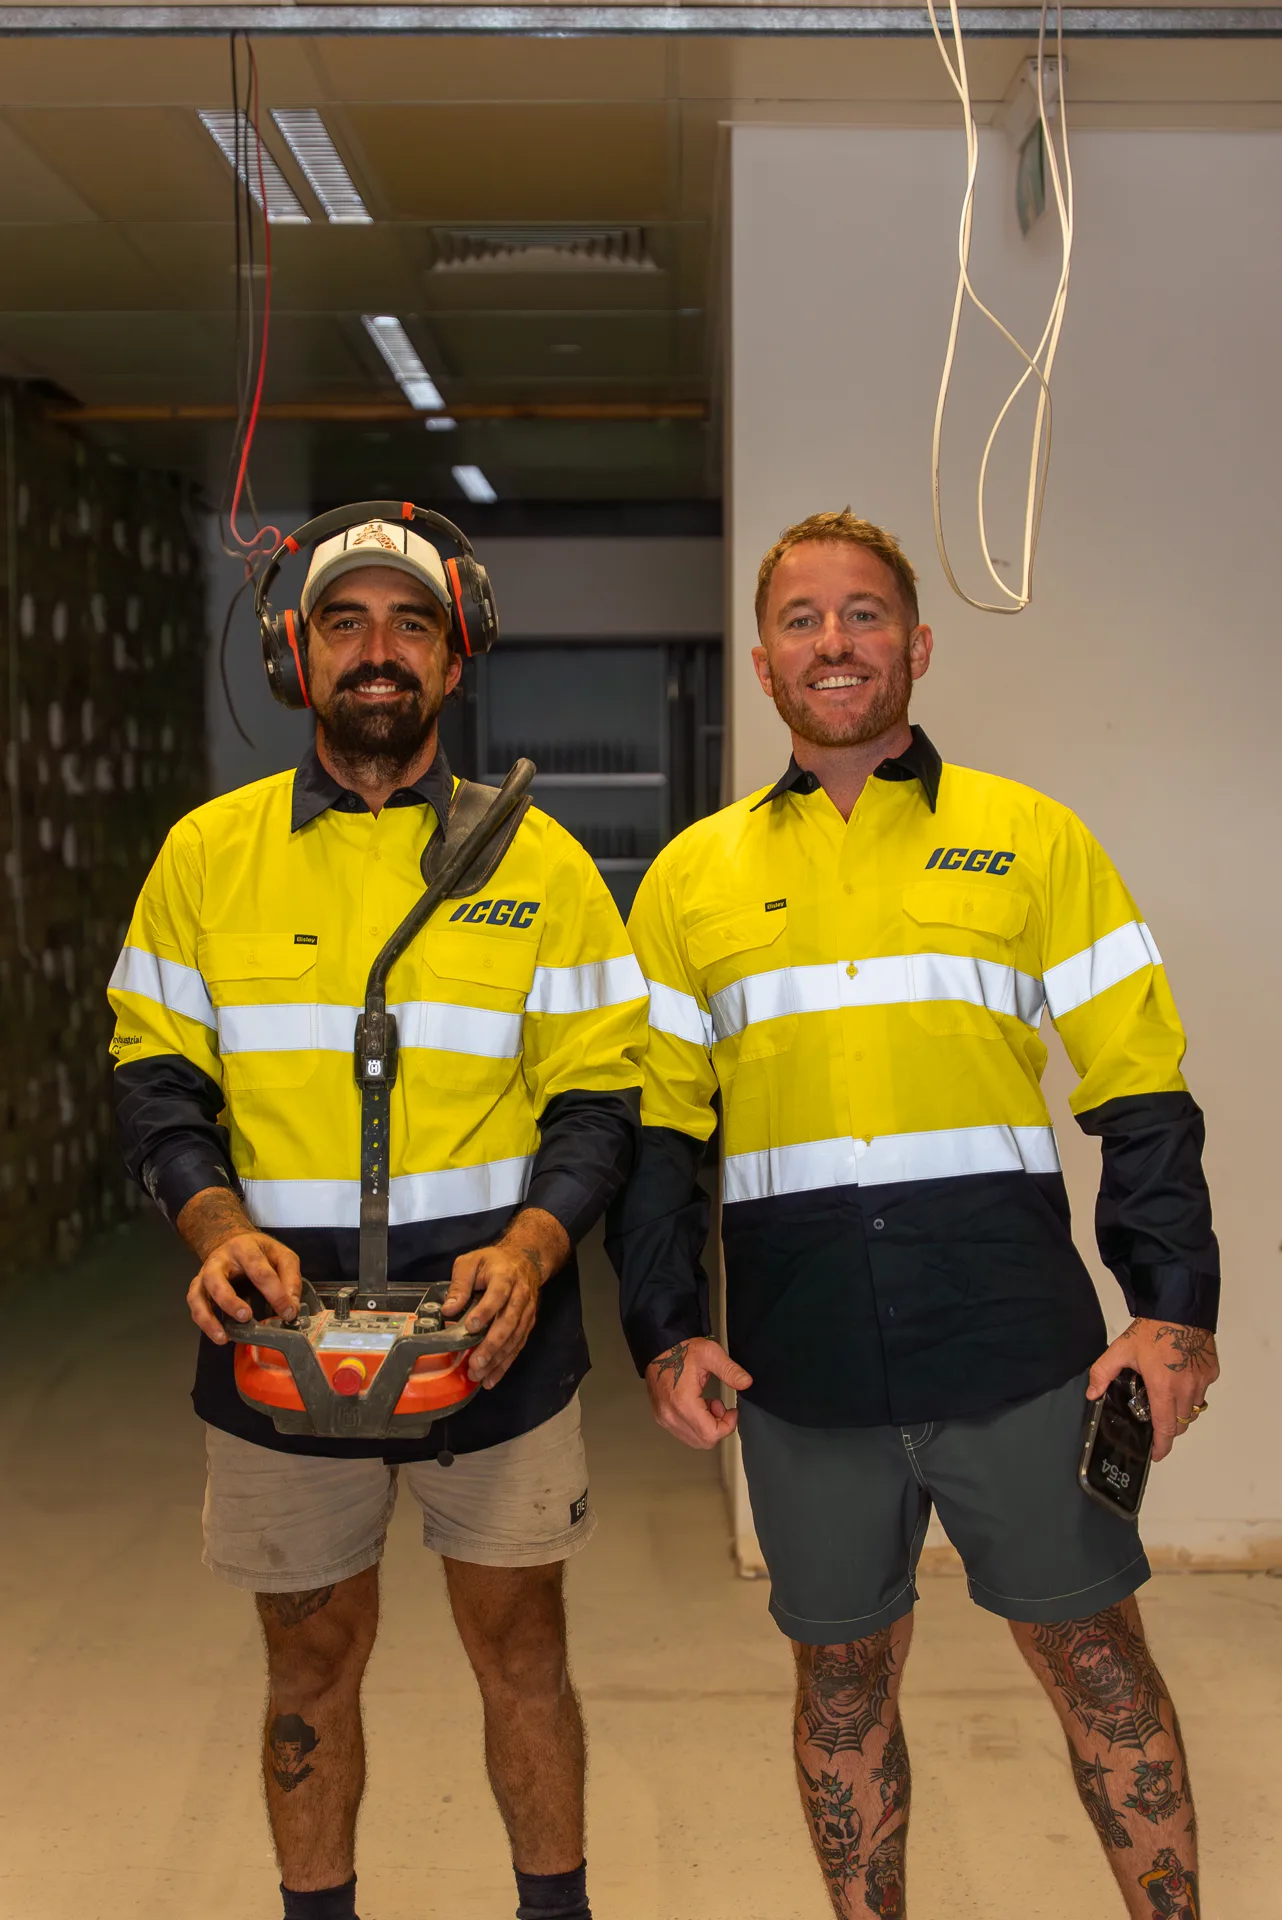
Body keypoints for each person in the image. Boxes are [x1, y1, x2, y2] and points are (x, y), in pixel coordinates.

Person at [607, 510, 1219, 1918]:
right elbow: (660, 1136)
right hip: (799, 1356)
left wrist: (1171, 1312)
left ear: (916, 646)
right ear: (762, 661)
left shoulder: (1030, 839)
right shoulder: (692, 881)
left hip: (1013, 1345)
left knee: (1097, 1664)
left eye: (865, 613)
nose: (836, 641)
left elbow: (1141, 1094)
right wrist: (661, 1327)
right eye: (805, 619)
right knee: (837, 1682)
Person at [108, 513, 648, 1920]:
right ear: (296, 656)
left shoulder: (541, 866)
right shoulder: (208, 856)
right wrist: (215, 1226)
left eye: (408, 624)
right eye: (343, 622)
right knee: (308, 1663)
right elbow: (154, 1074)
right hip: (277, 1334)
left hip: (495, 1333)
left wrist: (534, 1250)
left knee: (521, 1652)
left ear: (453, 653)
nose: (376, 652)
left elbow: (600, 1099)